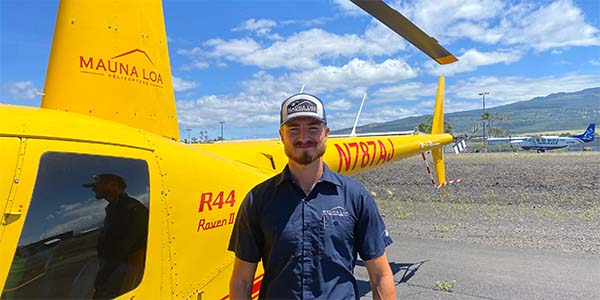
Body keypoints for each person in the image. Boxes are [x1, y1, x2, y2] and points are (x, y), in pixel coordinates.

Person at [228, 93, 396, 299]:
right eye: (294, 129)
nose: (303, 137)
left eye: (313, 128)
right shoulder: (258, 200)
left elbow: (380, 275)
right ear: (281, 135)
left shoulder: (355, 196)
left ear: (326, 133)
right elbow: (242, 280)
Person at [83, 173, 149, 299]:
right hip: (108, 280)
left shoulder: (132, 208)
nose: (93, 189)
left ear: (114, 185)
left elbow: (137, 256)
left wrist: (127, 289)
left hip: (118, 285)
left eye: (97, 185)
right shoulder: (114, 210)